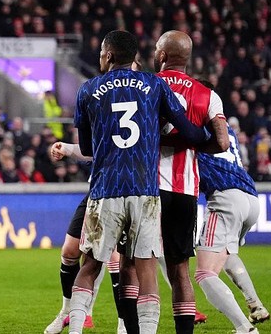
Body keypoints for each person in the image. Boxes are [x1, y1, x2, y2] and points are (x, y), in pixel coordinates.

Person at [68, 30, 211, 334]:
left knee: (91, 266)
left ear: (107, 56)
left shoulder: (88, 89)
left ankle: (76, 330)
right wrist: (207, 138)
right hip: (145, 191)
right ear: (134, 57)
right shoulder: (154, 84)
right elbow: (187, 130)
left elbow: (87, 149)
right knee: (147, 269)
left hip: (105, 190)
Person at [153, 30, 229, 334]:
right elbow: (222, 143)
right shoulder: (208, 94)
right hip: (185, 189)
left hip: (148, 187)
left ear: (161, 56)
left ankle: (136, 328)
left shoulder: (149, 85)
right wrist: (193, 144)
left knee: (137, 263)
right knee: (180, 268)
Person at [194, 100, 268, 333]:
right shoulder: (228, 130)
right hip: (251, 197)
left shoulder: (198, 128)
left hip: (226, 196)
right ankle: (255, 305)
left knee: (204, 272)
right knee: (225, 252)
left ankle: (245, 328)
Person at [43, 142, 125, 334]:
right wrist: (68, 149)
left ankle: (123, 322)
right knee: (69, 251)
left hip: (123, 192)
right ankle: (66, 311)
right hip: (96, 191)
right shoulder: (101, 118)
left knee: (115, 258)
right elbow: (94, 149)